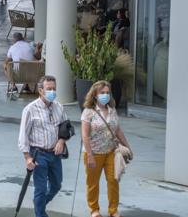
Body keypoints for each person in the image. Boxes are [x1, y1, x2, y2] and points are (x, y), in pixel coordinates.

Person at [18, 75, 69, 217]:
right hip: (38, 154)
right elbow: (23, 136)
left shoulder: (59, 107)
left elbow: (66, 127)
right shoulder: (30, 109)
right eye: (49, 89)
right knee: (40, 189)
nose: (52, 91)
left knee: (56, 185)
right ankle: (40, 213)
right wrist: (27, 157)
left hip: (55, 154)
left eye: (54, 89)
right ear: (41, 91)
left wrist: (61, 141)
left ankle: (39, 204)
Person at [81, 81, 132, 217]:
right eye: (102, 93)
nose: (105, 95)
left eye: (107, 92)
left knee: (113, 181)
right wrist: (90, 155)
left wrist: (127, 146)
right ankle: (94, 209)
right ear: (95, 95)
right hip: (94, 153)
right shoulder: (88, 112)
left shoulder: (112, 110)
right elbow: (85, 136)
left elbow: (118, 130)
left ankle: (113, 210)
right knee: (93, 183)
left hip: (111, 152)